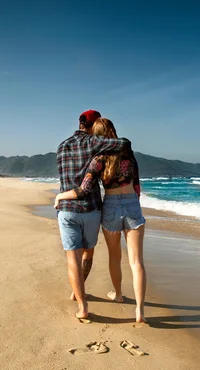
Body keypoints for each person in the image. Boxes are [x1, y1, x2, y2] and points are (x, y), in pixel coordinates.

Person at [54, 118, 147, 324]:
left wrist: (61, 196)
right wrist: (133, 204)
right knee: (136, 261)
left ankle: (119, 294)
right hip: (132, 204)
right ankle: (140, 311)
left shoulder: (99, 159)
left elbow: (85, 188)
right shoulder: (129, 155)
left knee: (115, 257)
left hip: (111, 205)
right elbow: (138, 185)